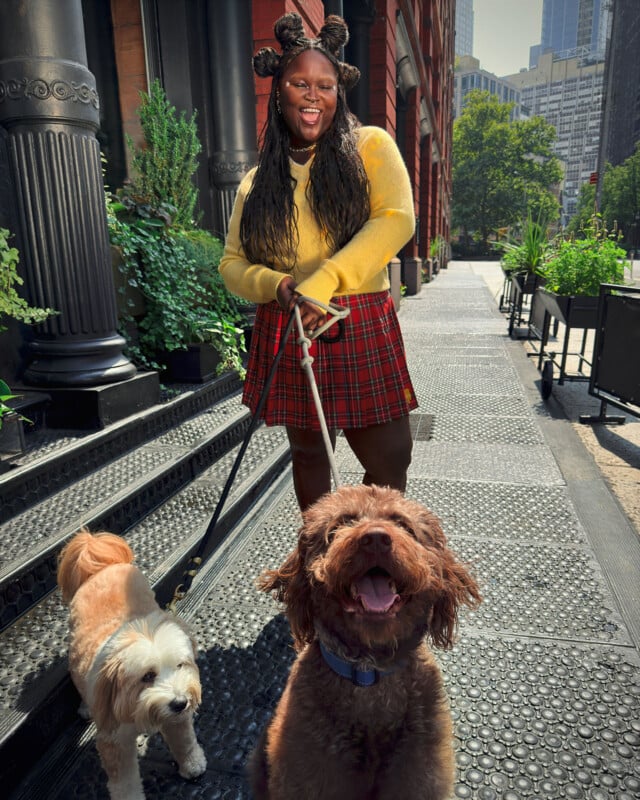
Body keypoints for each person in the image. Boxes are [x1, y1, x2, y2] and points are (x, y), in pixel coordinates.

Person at [218, 12, 418, 511]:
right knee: (309, 456)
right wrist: (278, 285)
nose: (313, 95)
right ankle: (318, 560)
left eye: (325, 85)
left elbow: (397, 220)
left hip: (358, 318)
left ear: (339, 92)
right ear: (278, 91)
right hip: (288, 324)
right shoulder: (256, 182)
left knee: (391, 457)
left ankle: (378, 558)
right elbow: (231, 264)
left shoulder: (372, 146)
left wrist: (326, 279)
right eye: (299, 82)